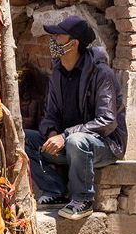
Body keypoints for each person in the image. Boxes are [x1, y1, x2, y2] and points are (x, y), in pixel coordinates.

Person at [26, 15, 127, 221]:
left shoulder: (102, 74)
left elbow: (107, 121)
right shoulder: (57, 74)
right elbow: (49, 114)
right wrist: (52, 132)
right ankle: (55, 192)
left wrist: (64, 136)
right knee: (25, 137)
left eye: (59, 36)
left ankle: (82, 199)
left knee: (76, 140)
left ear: (74, 43)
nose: (53, 40)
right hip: (70, 142)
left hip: (105, 145)